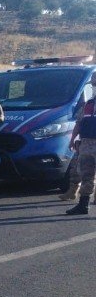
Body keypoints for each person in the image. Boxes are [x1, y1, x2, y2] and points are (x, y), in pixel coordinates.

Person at [66, 87, 96, 215]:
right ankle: (83, 204)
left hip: (88, 144)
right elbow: (79, 123)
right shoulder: (89, 104)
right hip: (87, 143)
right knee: (86, 174)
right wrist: (72, 139)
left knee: (87, 174)